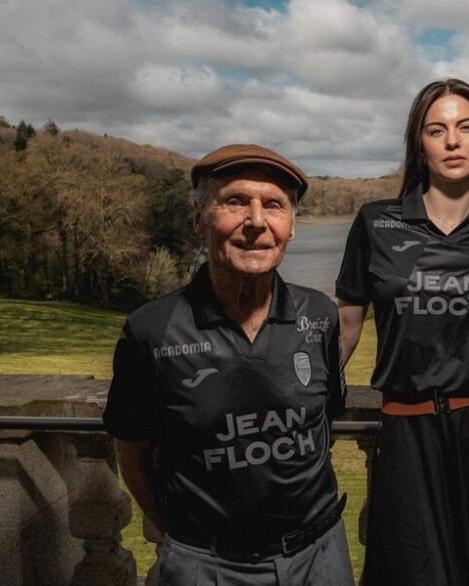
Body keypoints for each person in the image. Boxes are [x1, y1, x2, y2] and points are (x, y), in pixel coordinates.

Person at [335, 78, 469, 586]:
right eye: (437, 130)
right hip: (407, 434)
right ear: (420, 144)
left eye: (465, 127)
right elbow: (345, 334)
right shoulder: (375, 224)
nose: (453, 141)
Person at [103, 144, 353, 585]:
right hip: (206, 565)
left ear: (291, 226)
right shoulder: (151, 329)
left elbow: (320, 423)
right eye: (235, 201)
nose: (256, 222)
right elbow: (132, 450)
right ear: (201, 219)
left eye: (274, 205)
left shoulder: (319, 315)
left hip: (320, 558)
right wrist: (182, 536)